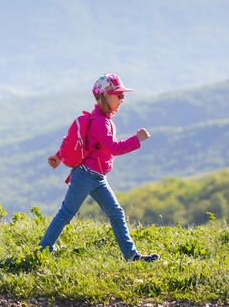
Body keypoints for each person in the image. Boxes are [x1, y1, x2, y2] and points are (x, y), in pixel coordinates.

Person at [39, 74, 159, 262]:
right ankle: (42, 251)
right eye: (118, 95)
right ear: (104, 96)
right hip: (86, 176)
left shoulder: (100, 119)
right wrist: (137, 140)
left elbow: (80, 143)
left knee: (116, 213)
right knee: (66, 213)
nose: (122, 99)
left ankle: (131, 256)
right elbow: (114, 148)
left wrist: (60, 155)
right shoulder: (100, 123)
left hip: (96, 177)